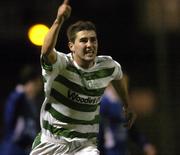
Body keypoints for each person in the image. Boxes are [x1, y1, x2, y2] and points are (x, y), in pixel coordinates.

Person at [30, 0, 136, 154]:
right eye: (83, 40)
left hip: (84, 146)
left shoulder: (108, 66)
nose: (89, 44)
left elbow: (118, 76)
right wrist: (59, 20)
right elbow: (46, 51)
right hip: (51, 143)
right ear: (71, 46)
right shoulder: (61, 65)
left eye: (93, 40)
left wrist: (127, 104)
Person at [98, 82, 157, 155]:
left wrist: (145, 144)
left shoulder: (122, 101)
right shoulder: (104, 102)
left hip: (122, 150)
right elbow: (99, 128)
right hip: (109, 151)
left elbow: (130, 127)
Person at [0, 65, 43, 155]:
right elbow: (9, 120)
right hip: (12, 150)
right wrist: (22, 89)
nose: (39, 88)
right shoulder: (17, 98)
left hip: (26, 150)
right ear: (31, 83)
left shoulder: (33, 103)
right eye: (38, 84)